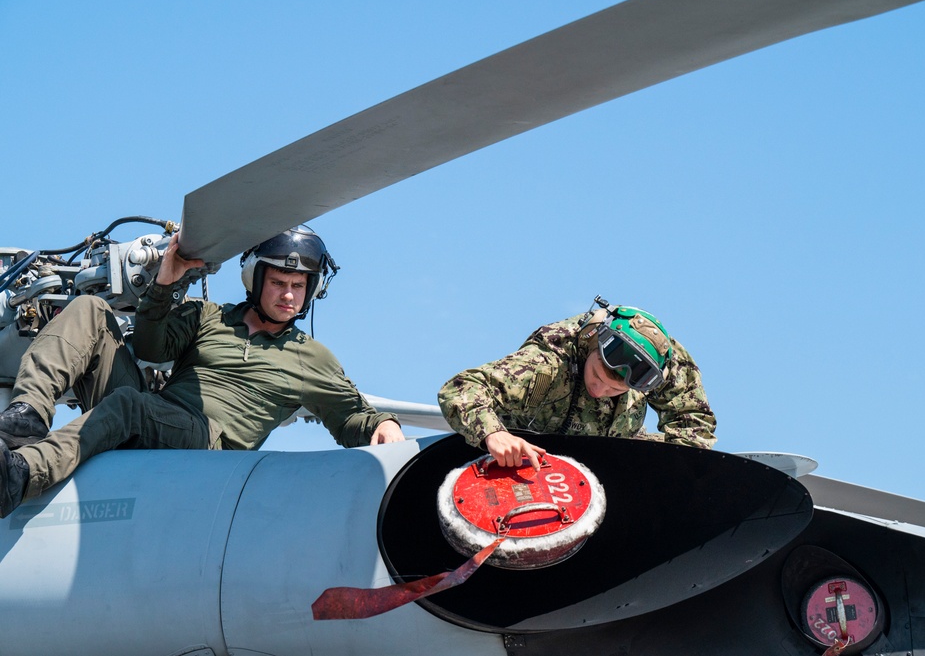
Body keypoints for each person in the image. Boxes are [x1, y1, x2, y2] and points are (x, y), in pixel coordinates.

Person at [0, 225, 404, 518]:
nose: (287, 295)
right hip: (157, 416)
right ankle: (27, 416)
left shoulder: (310, 357)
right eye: (279, 281)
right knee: (89, 309)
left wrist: (381, 425)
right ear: (255, 279)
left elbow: (350, 415)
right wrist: (165, 283)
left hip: (208, 449)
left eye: (298, 286)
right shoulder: (209, 317)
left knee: (129, 406)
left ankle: (21, 476)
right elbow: (148, 346)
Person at [437, 297, 716, 470]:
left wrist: (673, 474)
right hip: (528, 463)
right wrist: (494, 435)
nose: (599, 390)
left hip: (615, 454)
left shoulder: (661, 362)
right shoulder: (546, 364)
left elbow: (692, 422)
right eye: (596, 375)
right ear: (590, 343)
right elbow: (461, 387)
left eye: (614, 389)